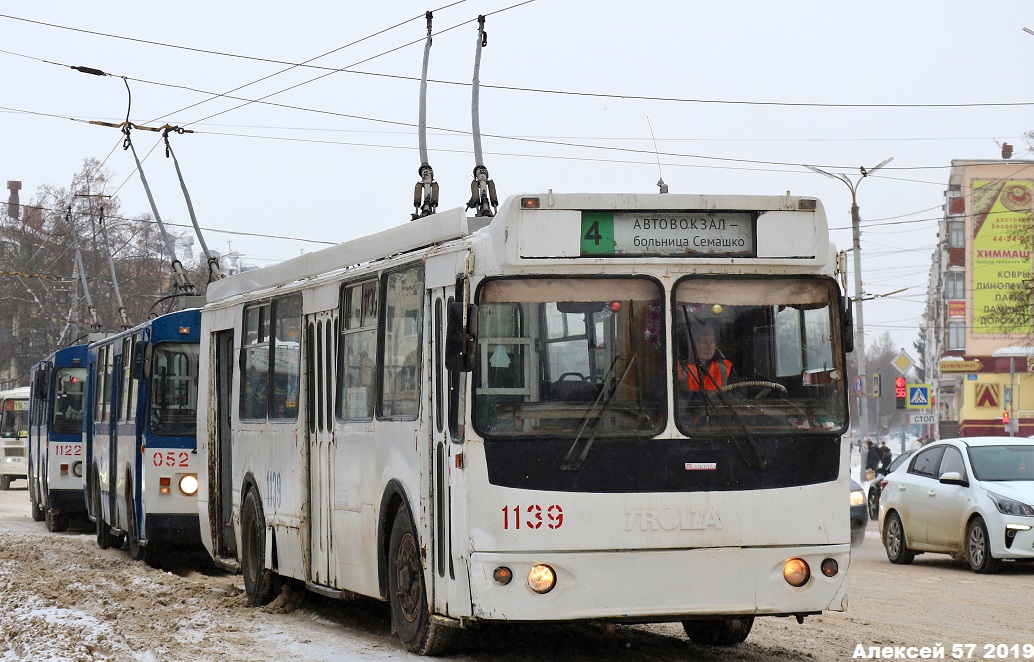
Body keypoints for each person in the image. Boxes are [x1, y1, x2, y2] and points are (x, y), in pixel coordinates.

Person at [680, 325, 733, 391]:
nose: (709, 347)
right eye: (704, 342)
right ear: (692, 345)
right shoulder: (679, 368)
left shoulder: (726, 366)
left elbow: (738, 392)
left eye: (712, 341)